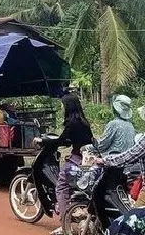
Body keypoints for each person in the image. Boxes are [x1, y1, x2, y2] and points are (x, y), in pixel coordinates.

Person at [35, 93, 93, 231]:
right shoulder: (84, 122)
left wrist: (42, 141)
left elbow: (61, 140)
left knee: (60, 187)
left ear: (67, 107)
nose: (61, 107)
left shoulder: (71, 123)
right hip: (87, 160)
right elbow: (69, 140)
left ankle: (64, 224)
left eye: (62, 105)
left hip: (77, 160)